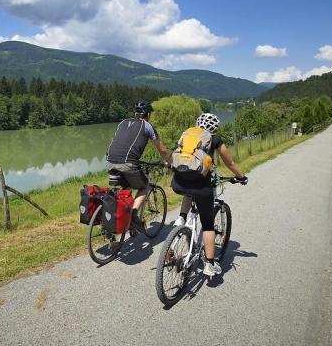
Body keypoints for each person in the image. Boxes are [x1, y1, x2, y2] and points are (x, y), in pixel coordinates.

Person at [172, 113, 248, 277]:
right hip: (201, 187)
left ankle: (181, 218)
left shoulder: (187, 134)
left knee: (188, 190)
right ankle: (210, 264)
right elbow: (230, 163)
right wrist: (241, 177)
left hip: (178, 183)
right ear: (214, 128)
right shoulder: (214, 139)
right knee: (207, 225)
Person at [106, 100, 172, 231]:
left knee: (128, 186)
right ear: (148, 114)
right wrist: (168, 162)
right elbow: (162, 149)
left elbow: (121, 141)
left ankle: (122, 214)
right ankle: (134, 216)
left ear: (136, 113)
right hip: (128, 162)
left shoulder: (123, 122)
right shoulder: (147, 126)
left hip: (110, 161)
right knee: (144, 186)